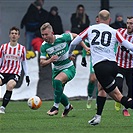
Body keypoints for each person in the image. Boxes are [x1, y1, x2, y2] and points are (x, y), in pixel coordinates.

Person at [68, 10, 133, 125]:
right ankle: (97, 116)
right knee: (101, 88)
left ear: (98, 19)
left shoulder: (90, 29)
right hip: (114, 66)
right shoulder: (114, 31)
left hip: (101, 67)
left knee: (119, 97)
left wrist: (69, 54)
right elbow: (127, 45)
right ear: (110, 20)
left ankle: (98, 116)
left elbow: (74, 42)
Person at [39, 22, 87, 117]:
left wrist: (85, 47)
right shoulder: (44, 46)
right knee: (58, 92)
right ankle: (67, 106)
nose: (44, 37)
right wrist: (50, 60)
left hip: (69, 68)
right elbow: (42, 63)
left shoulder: (62, 37)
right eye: (42, 35)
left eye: (46, 34)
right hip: (56, 70)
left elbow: (76, 36)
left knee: (57, 81)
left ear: (52, 33)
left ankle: (55, 107)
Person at [0, 26, 30, 114]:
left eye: (16, 34)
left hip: (15, 73)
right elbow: (0, 60)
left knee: (10, 85)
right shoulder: (3, 47)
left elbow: (24, 62)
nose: (14, 35)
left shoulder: (22, 49)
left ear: (18, 36)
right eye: (12, 33)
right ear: (9, 35)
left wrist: (27, 75)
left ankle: (2, 107)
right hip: (3, 71)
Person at [115, 16, 133, 116]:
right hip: (119, 65)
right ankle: (119, 99)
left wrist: (128, 51)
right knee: (119, 85)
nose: (129, 25)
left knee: (131, 88)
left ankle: (126, 108)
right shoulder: (120, 32)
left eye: (131, 24)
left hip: (131, 66)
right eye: (128, 23)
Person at [81, 16, 99, 109]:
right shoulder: (92, 30)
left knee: (101, 81)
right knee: (92, 79)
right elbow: (85, 43)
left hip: (104, 59)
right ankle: (89, 96)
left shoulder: (108, 30)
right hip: (94, 58)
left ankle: (98, 101)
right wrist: (83, 57)